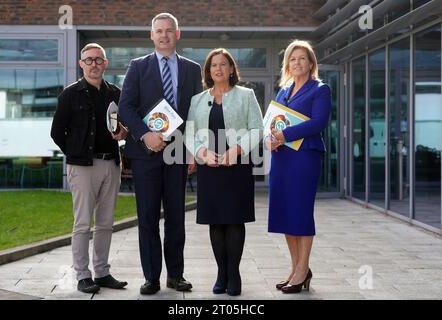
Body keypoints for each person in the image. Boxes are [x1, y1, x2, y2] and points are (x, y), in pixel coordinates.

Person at [118, 13, 202, 295]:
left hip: (178, 152)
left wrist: (193, 151)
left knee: (177, 217)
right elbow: (126, 106)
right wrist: (145, 134)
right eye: (159, 31)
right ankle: (152, 276)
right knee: (148, 217)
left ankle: (175, 276)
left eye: (169, 31)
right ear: (151, 35)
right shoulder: (138, 67)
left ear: (177, 35)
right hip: (145, 154)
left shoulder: (192, 69)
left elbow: (196, 115)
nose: (164, 35)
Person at [51, 43, 128, 294]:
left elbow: (123, 126)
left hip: (111, 164)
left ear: (105, 63)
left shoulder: (116, 92)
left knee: (105, 223)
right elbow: (57, 132)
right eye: (89, 60)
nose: (94, 64)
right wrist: (76, 153)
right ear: (81, 64)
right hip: (82, 166)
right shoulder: (70, 94)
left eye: (98, 59)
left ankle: (102, 272)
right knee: (83, 223)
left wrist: (123, 132)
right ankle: (83, 275)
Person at [185, 48, 263, 296]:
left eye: (223, 64)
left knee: (234, 220)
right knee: (215, 221)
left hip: (237, 166)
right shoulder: (197, 100)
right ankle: (221, 273)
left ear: (231, 69)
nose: (218, 69)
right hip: (210, 167)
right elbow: (189, 133)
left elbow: (257, 129)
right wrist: (202, 154)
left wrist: (236, 151)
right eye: (213, 65)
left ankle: (234, 274)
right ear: (208, 71)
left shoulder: (246, 95)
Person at [266, 40, 331, 294]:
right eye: (293, 59)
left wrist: (285, 135)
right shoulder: (283, 92)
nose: (297, 63)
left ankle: (303, 269)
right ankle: (295, 268)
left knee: (300, 212)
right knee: (285, 213)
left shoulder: (320, 89)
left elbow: (319, 122)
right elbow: (274, 123)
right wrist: (271, 138)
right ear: (287, 64)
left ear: (311, 63)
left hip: (305, 158)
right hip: (282, 158)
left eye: (302, 58)